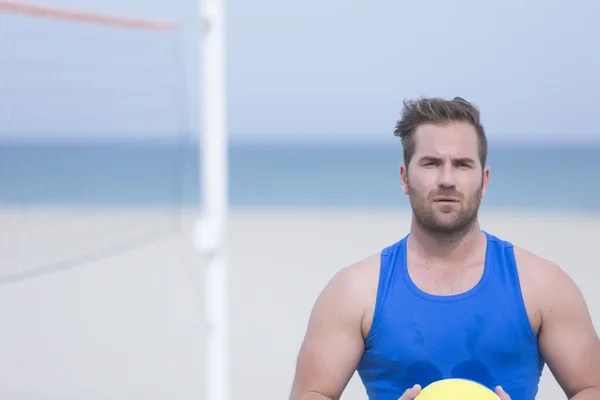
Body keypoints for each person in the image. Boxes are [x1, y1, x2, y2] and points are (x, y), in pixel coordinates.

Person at [288, 96, 600, 400]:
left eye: (463, 164)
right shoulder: (355, 291)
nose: (447, 179)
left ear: (485, 180)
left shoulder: (544, 284)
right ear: (404, 177)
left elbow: (591, 387)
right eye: (431, 163)